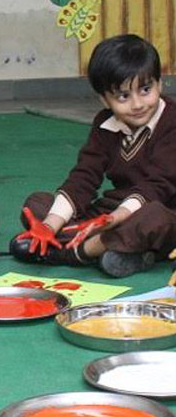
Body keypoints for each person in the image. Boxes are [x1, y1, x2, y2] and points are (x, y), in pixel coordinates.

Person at [10, 34, 176, 278]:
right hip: (115, 207)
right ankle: (114, 250)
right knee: (36, 205)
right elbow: (84, 177)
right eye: (123, 96)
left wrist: (117, 218)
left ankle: (76, 253)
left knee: (154, 220)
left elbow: (158, 185)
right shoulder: (104, 123)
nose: (137, 104)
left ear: (160, 84)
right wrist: (49, 225)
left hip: (163, 206)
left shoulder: (172, 120)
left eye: (145, 89)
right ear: (104, 99)